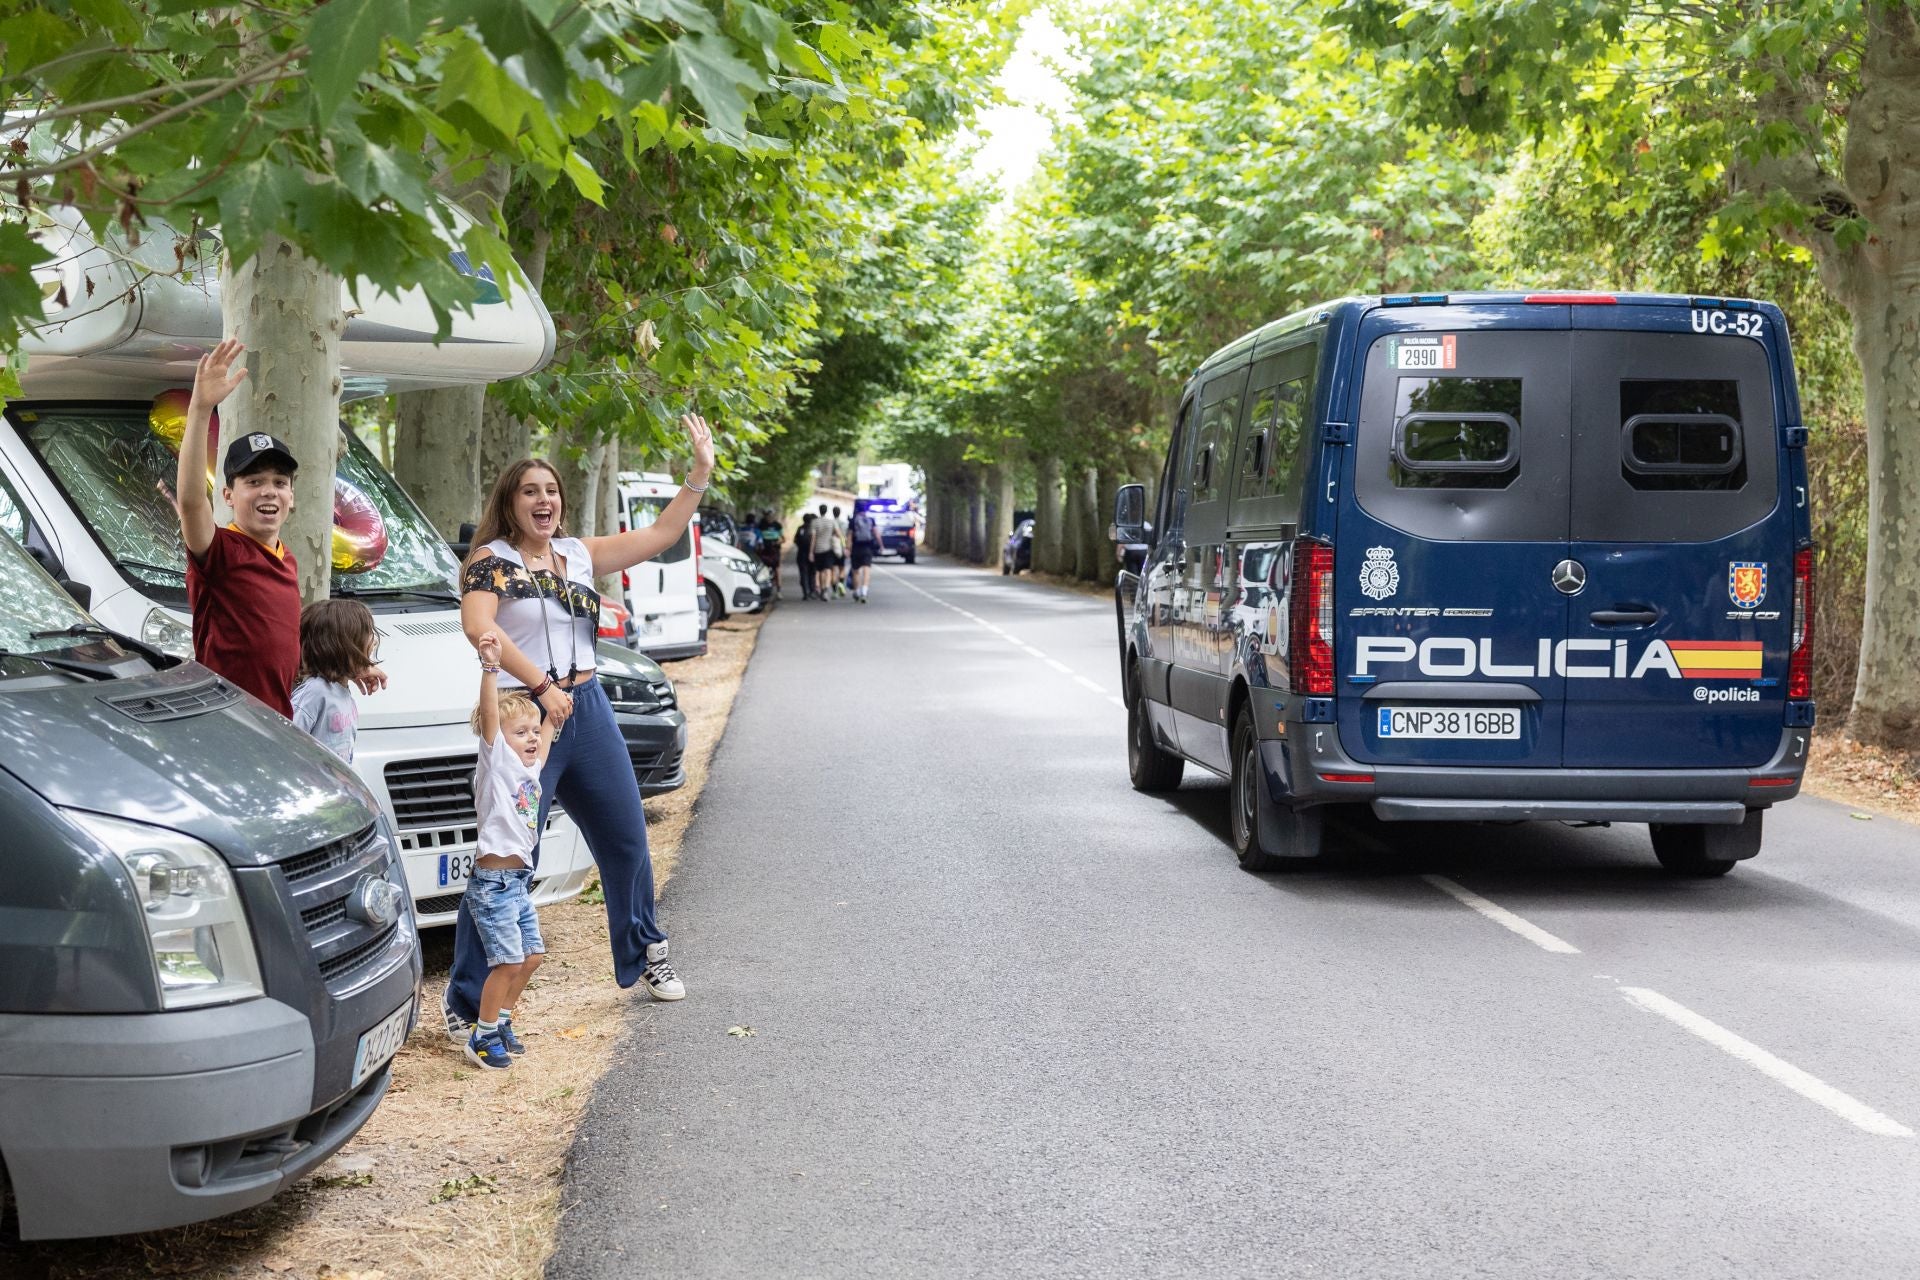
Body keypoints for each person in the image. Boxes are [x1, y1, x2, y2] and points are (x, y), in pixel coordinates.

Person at [442, 413, 716, 1042]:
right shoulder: (492, 560)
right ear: (510, 503)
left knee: (626, 840)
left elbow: (662, 532)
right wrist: (540, 685)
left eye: (552, 491)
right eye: (530, 491)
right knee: (504, 863)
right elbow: (478, 627)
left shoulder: (577, 554)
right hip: (523, 715)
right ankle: (464, 1003)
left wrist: (698, 472)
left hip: (587, 708)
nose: (545, 500)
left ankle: (646, 949)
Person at [461, 629, 557, 1070]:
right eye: (521, 732)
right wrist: (490, 668)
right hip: (493, 884)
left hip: (517, 881)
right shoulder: (496, 763)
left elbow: (552, 724)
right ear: (501, 737)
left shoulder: (529, 770)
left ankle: (500, 1021)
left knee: (532, 956)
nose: (532, 738)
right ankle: (480, 1037)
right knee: (508, 961)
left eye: (533, 732)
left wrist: (556, 700)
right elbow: (490, 719)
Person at [291, 599, 378, 762]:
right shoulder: (315, 692)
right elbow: (286, 741)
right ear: (342, 647)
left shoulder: (341, 691)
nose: (373, 641)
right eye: (367, 634)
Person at [845, 504, 879, 603]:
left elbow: (850, 536)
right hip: (867, 548)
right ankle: (864, 592)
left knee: (856, 571)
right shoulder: (871, 520)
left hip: (856, 548)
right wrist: (881, 545)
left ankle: (856, 591)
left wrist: (847, 548)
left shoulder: (853, 521)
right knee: (866, 571)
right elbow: (876, 534)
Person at [813, 503, 844, 600]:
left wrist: (811, 551)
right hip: (828, 549)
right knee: (828, 570)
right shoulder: (831, 522)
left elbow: (813, 538)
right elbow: (839, 535)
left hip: (818, 549)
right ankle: (826, 588)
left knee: (821, 570)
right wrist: (843, 545)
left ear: (819, 510)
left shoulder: (815, 522)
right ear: (826, 511)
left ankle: (822, 588)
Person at [756, 511, 784, 599]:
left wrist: (776, 542)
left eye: (771, 516)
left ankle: (779, 590)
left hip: (775, 550)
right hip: (764, 550)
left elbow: (783, 539)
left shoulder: (777, 525)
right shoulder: (761, 525)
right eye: (768, 516)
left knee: (777, 569)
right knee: (763, 568)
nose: (770, 518)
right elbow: (758, 536)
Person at [793, 512, 816, 600]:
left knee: (803, 573)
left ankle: (805, 592)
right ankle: (812, 591)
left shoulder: (800, 528)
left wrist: (800, 546)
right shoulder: (813, 529)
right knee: (812, 573)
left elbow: (795, 540)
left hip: (801, 554)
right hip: (812, 554)